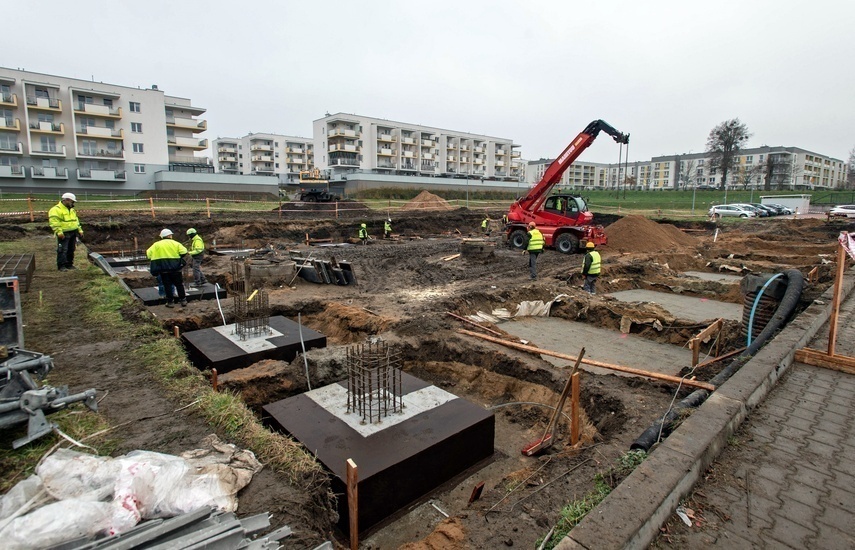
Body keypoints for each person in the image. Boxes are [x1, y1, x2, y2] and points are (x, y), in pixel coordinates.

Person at [147, 229, 188, 308]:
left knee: (167, 285)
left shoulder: (156, 244)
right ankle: (183, 300)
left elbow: (149, 254)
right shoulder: (176, 243)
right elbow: (184, 252)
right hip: (175, 268)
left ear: (162, 236)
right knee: (179, 284)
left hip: (163, 269)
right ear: (170, 236)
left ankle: (170, 302)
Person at [48, 192, 83, 271]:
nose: (73, 203)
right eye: (72, 201)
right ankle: (61, 266)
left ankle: (69, 264)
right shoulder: (56, 210)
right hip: (64, 233)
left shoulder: (72, 210)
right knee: (63, 250)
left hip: (73, 232)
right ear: (66, 200)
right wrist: (59, 232)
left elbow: (76, 221)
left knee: (71, 249)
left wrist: (80, 230)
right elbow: (54, 222)